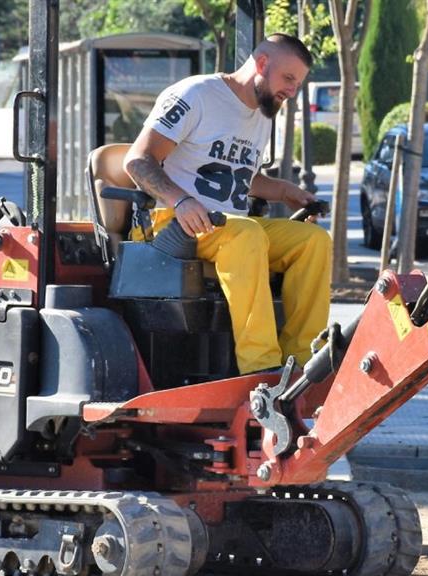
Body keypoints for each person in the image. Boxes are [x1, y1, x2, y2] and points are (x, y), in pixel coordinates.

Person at [124, 34, 328, 376]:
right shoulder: (196, 96)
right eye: (288, 78)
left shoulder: (263, 113)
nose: (292, 91)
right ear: (262, 64)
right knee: (245, 234)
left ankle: (305, 363)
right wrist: (182, 201)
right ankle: (262, 368)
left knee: (313, 242)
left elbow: (236, 176)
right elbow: (138, 161)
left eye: (298, 83)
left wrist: (283, 190)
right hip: (174, 225)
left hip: (228, 225)